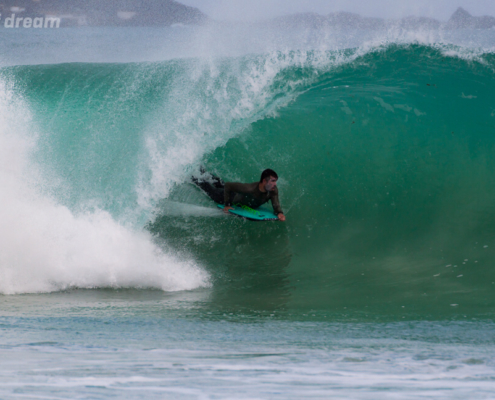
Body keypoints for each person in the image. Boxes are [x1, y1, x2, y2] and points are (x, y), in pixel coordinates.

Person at [192, 168, 286, 221]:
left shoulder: (273, 190)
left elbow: (276, 203)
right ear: (264, 181)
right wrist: (227, 205)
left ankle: (200, 170)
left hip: (238, 194)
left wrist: (279, 212)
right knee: (208, 188)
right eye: (273, 181)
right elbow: (228, 186)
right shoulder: (250, 188)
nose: (275, 184)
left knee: (219, 183)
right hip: (229, 197)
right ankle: (192, 175)